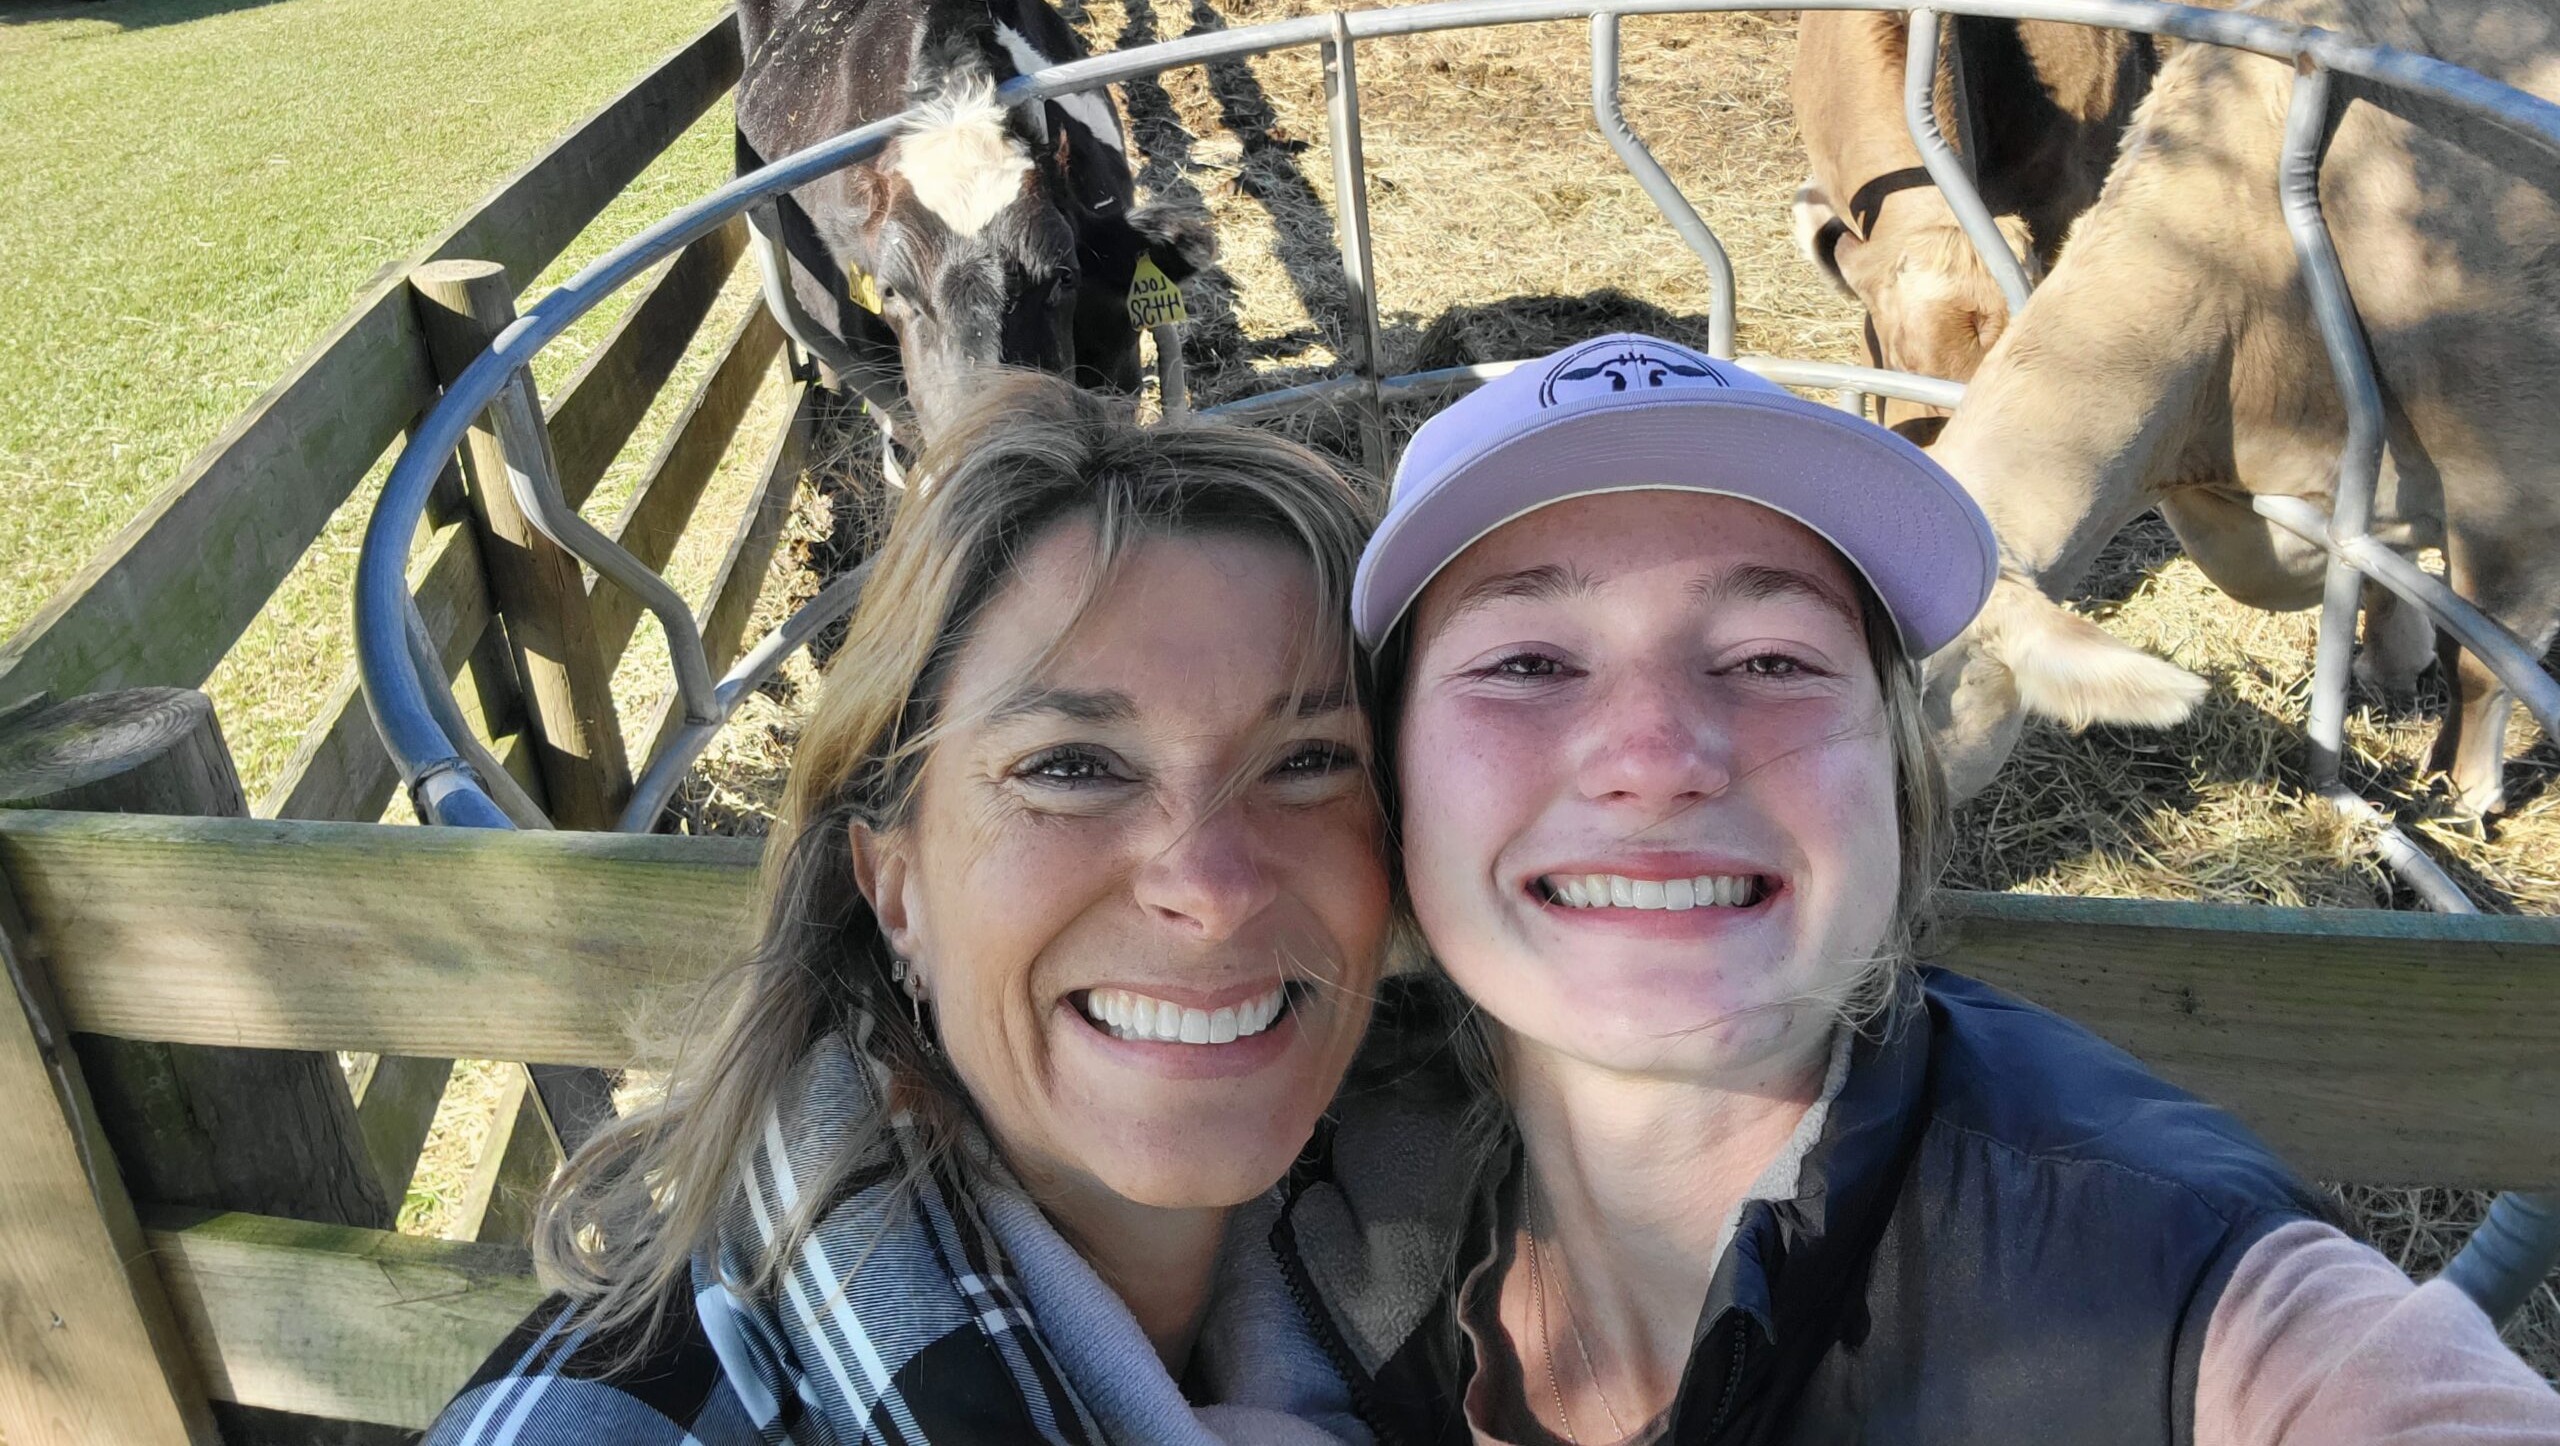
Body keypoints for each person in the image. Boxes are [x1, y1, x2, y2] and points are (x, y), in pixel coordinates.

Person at [1266, 333, 2560, 1446]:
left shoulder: (2179, 1300)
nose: (1657, 759)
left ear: (1895, 779)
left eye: (1772, 658)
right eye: (1531, 662)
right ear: (1395, 780)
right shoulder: (1281, 1156)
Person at [429, 373, 1389, 1445]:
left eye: (1308, 760)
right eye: (1071, 767)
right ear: (894, 889)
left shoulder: (1474, 1271)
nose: (1210, 890)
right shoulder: (617, 1418)